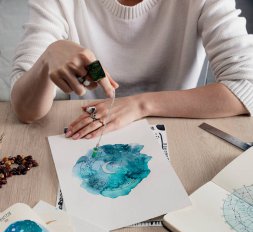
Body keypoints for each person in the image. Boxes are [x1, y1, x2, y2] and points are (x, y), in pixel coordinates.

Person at [11, 0, 253, 140]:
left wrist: (140, 105)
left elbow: (247, 85)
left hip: (179, 132)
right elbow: (26, 112)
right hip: (91, 132)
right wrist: (48, 57)